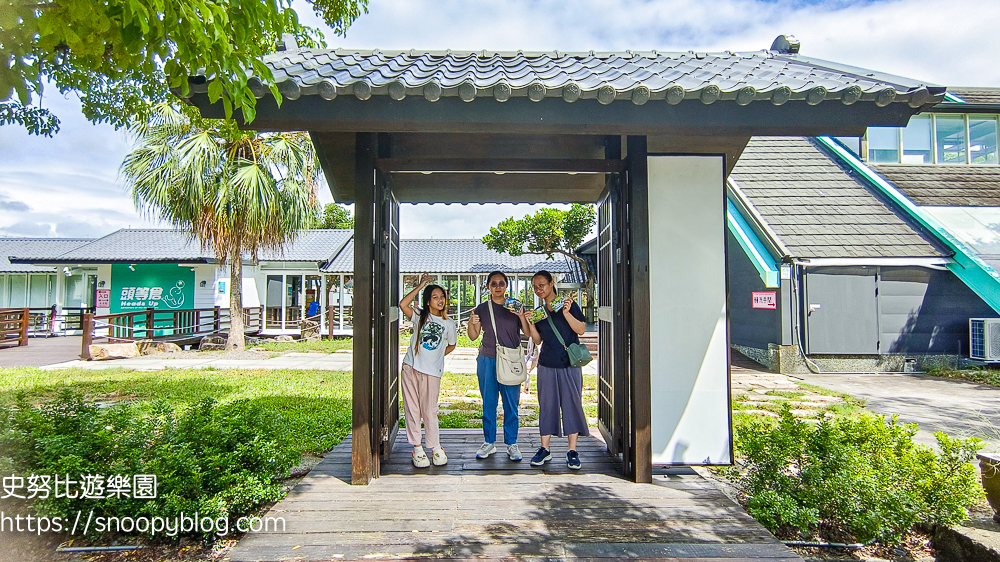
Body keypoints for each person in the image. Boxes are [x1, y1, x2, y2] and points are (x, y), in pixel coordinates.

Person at [522, 270, 589, 470]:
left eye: (541, 285)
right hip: (547, 363)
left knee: (572, 405)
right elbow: (538, 340)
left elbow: (581, 330)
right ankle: (545, 448)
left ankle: (572, 451)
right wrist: (531, 323)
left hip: (569, 363)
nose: (538, 289)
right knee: (547, 406)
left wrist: (566, 314)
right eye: (535, 287)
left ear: (552, 283)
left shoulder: (568, 305)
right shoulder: (539, 312)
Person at [467, 270, 531, 461]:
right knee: (489, 403)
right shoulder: (482, 308)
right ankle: (489, 442)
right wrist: (472, 322)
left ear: (506, 286)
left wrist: (521, 316)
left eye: (501, 283)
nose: (497, 287)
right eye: (493, 284)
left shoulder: (515, 306)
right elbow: (473, 336)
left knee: (511, 405)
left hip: (511, 360)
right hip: (487, 359)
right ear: (488, 286)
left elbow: (527, 332)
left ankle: (512, 443)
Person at [399, 274, 457, 468]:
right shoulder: (420, 316)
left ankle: (435, 446)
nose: (440, 300)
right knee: (412, 409)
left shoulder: (449, 323)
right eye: (435, 297)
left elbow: (451, 345)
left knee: (430, 411)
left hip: (432, 372)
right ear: (427, 301)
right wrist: (421, 285)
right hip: (410, 367)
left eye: (442, 296)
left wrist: (436, 356)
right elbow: (402, 304)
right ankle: (417, 447)